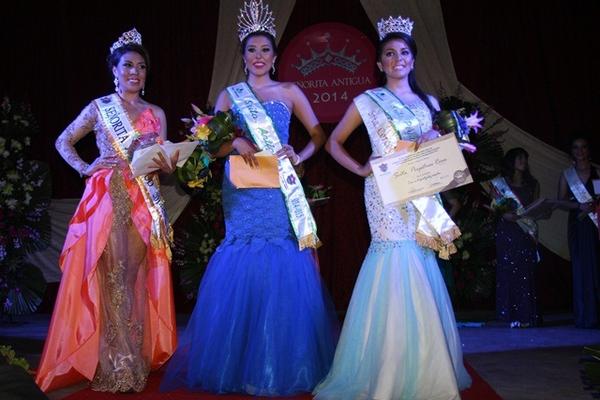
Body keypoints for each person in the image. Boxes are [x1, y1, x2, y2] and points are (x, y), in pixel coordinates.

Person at [160, 0, 337, 396]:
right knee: (241, 255)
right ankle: (236, 362)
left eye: (265, 50)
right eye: (251, 50)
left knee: (279, 258)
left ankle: (278, 362)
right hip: (240, 190)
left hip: (277, 189)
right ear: (243, 57)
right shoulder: (229, 95)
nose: (258, 57)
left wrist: (298, 153)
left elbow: (318, 137)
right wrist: (234, 140)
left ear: (275, 56)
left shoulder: (290, 91)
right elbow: (209, 148)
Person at [313, 15, 471, 400]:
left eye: (404, 52)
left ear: (412, 60)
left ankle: (425, 364)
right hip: (383, 193)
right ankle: (384, 366)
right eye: (389, 53)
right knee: (393, 257)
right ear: (380, 63)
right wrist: (361, 168)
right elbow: (334, 143)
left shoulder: (429, 102)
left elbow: (437, 152)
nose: (397, 58)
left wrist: (440, 141)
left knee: (419, 258)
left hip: (420, 192)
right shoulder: (367, 102)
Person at [35, 28, 178, 393]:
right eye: (128, 65)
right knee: (114, 276)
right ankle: (117, 360)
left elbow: (165, 164)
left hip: (144, 201)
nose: (135, 72)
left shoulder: (156, 112)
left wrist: (170, 162)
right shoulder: (99, 108)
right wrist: (86, 166)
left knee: (134, 275)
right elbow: (63, 140)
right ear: (114, 70)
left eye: (142, 66)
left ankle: (130, 354)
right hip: (110, 195)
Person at [492, 148, 541, 328]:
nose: (523, 161)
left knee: (525, 273)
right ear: (511, 160)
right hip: (507, 232)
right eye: (519, 157)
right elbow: (495, 204)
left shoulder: (533, 184)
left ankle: (526, 315)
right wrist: (504, 215)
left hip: (525, 231)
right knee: (507, 272)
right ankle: (509, 316)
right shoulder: (500, 183)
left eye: (525, 158)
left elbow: (535, 210)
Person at [557, 136, 600, 328]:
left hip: (596, 224)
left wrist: (594, 206)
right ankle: (585, 316)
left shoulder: (598, 172)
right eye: (576, 147)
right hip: (578, 225)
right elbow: (561, 201)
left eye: (583, 147)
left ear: (588, 150)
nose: (580, 151)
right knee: (582, 269)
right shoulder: (567, 175)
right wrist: (578, 206)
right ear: (571, 151)